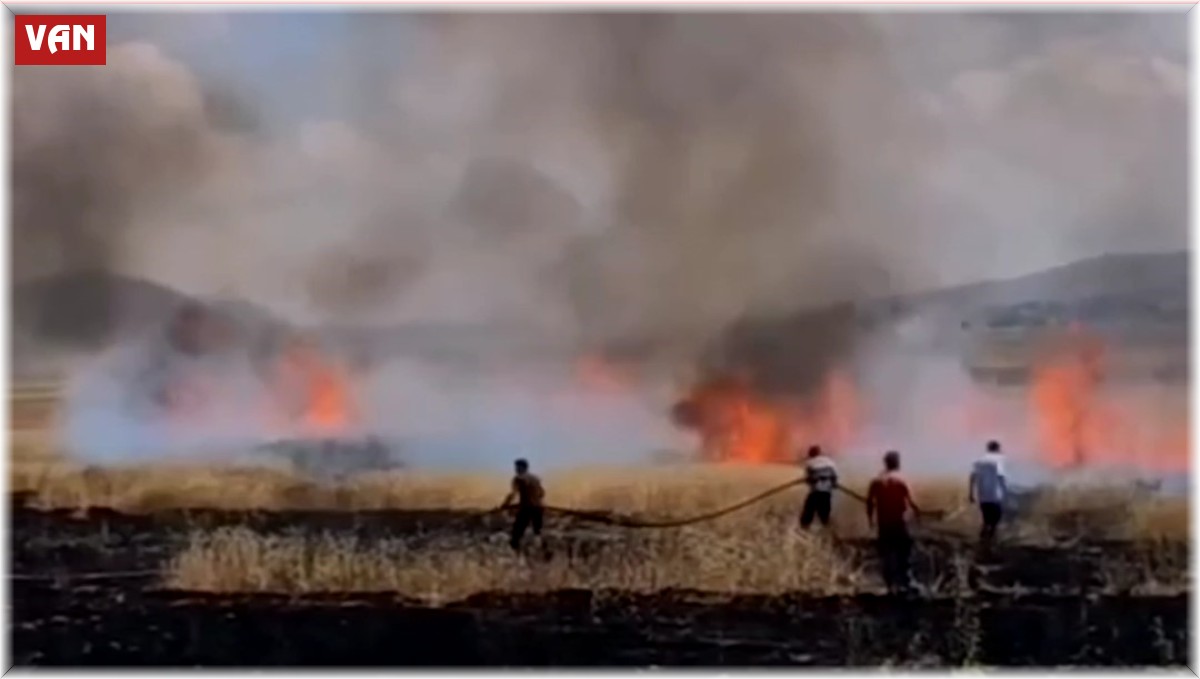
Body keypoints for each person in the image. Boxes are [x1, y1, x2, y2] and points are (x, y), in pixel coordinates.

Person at [866, 450, 922, 595]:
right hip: (899, 522)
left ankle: (890, 586)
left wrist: (870, 520)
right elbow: (911, 501)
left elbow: (869, 502)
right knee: (904, 551)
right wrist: (918, 513)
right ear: (897, 463)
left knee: (886, 553)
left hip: (883, 523)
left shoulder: (877, 481)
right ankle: (905, 582)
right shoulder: (901, 480)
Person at [499, 458, 545, 551]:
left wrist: (504, 505)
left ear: (522, 467)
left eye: (517, 467)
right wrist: (535, 499)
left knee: (517, 531)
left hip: (526, 508)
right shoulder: (535, 478)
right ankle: (543, 552)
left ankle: (515, 552)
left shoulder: (519, 478)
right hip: (539, 508)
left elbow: (513, 494)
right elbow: (542, 493)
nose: (516, 469)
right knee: (537, 532)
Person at [969, 440, 1008, 543]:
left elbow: (973, 477)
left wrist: (971, 494)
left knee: (986, 520)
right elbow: (1001, 477)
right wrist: (1006, 493)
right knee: (995, 521)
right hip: (995, 496)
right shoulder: (999, 460)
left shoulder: (979, 461)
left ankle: (983, 540)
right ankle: (990, 541)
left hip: (983, 496)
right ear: (997, 449)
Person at [800, 445, 838, 529]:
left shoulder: (809, 462)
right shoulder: (829, 461)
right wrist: (833, 483)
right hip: (827, 490)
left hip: (816, 490)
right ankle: (826, 523)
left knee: (809, 508)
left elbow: (808, 479)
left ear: (811, 454)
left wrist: (810, 480)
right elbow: (834, 476)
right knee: (825, 508)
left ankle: (805, 525)